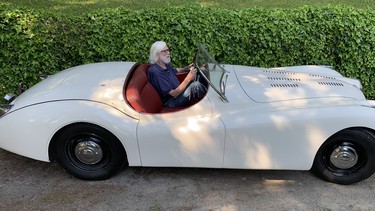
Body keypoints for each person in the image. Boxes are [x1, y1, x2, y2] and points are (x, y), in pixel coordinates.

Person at [147, 41, 206, 108]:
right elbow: (173, 94)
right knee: (196, 86)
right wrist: (188, 78)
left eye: (168, 50)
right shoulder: (155, 72)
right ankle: (209, 106)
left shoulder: (164, 64)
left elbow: (175, 71)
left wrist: (187, 68)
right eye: (165, 51)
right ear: (156, 54)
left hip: (179, 92)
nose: (168, 53)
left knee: (200, 75)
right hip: (171, 101)